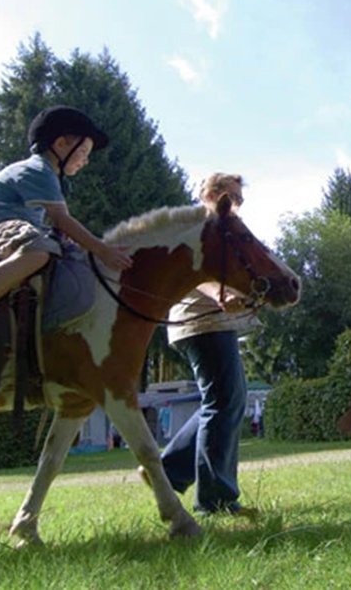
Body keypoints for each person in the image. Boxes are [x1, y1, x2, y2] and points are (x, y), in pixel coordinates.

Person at [0, 105, 132, 369]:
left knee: (61, 253)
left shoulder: (50, 176)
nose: (85, 160)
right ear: (60, 144)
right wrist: (102, 250)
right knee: (38, 250)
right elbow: (62, 220)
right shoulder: (38, 170)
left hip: (11, 228)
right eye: (82, 152)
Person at [144, 173, 261, 517]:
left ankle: (168, 473)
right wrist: (221, 295)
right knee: (223, 402)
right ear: (211, 193)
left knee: (226, 401)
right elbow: (197, 272)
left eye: (240, 199)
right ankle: (216, 500)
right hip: (200, 321)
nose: (236, 204)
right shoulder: (199, 224)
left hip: (214, 322)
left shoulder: (220, 229)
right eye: (231, 196)